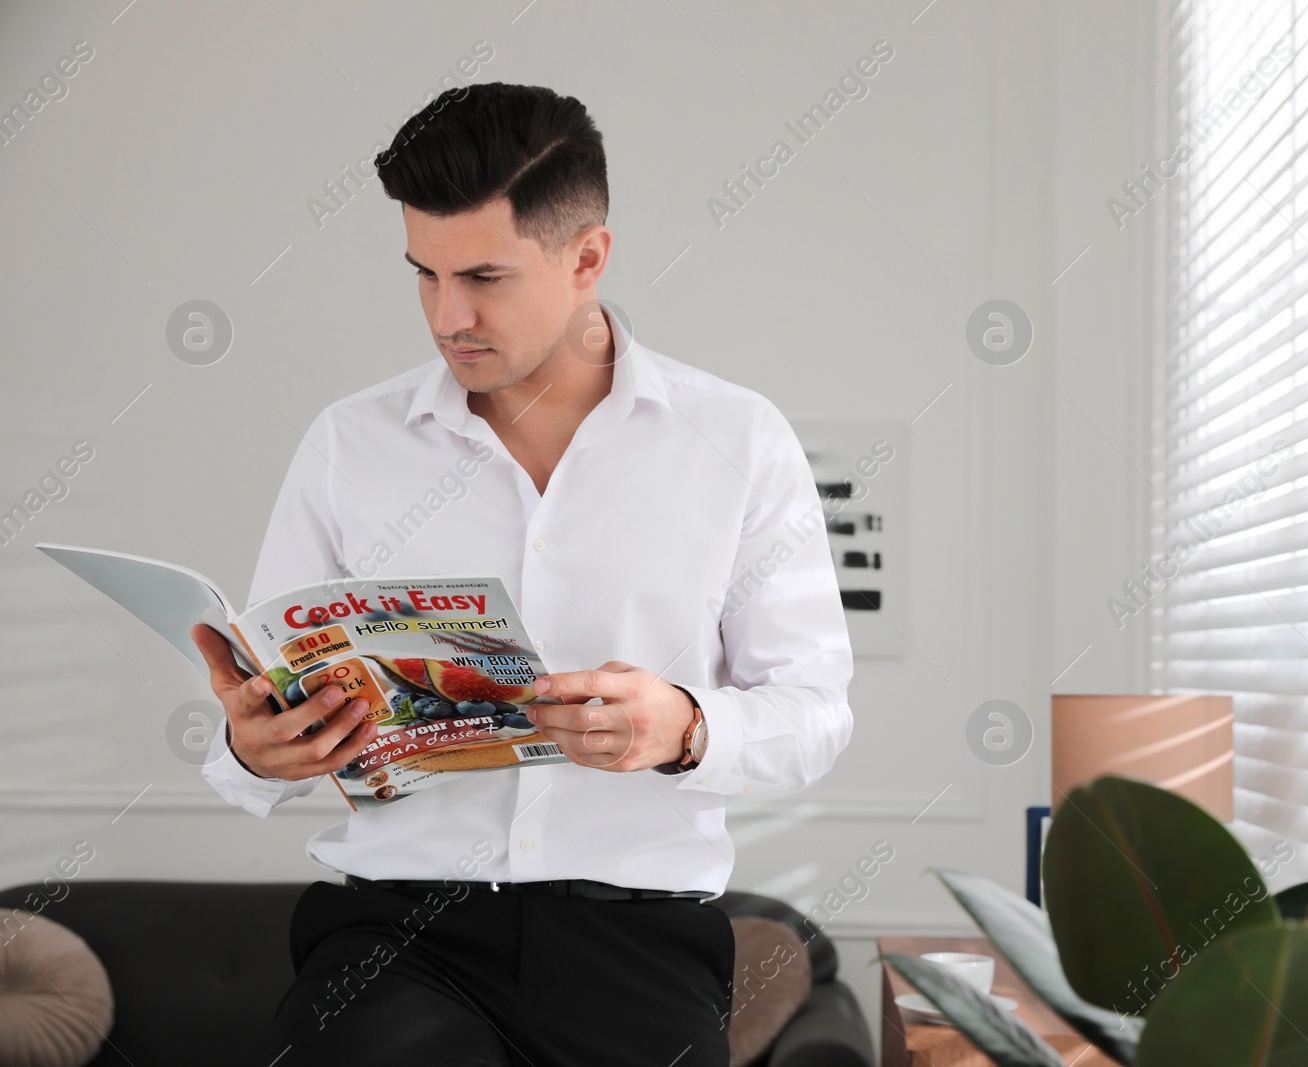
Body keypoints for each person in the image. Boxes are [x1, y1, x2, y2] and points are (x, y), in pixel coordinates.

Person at [189, 82, 853, 1066]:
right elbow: (254, 711)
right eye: (424, 274)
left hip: (639, 942)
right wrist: (256, 748)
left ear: (588, 257)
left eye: (485, 276)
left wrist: (686, 727)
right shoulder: (348, 444)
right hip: (394, 937)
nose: (447, 315)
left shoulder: (737, 440)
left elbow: (814, 710)